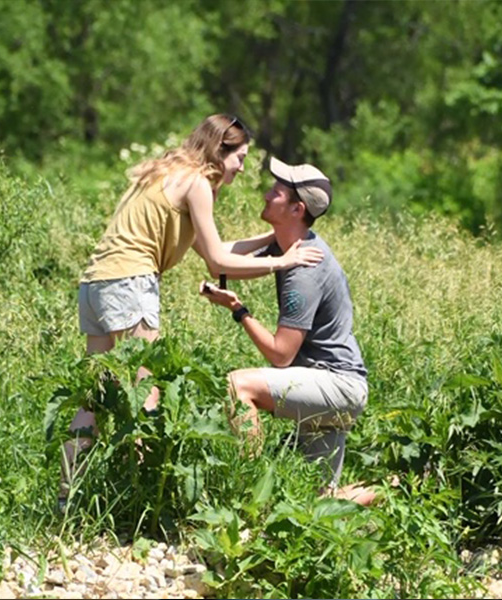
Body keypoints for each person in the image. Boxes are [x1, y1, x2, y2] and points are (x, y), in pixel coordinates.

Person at [58, 115, 324, 508]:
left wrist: (271, 239)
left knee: (94, 397)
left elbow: (213, 259)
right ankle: (146, 502)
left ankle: (69, 499)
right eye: (240, 157)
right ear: (221, 150)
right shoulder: (198, 184)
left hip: (97, 283)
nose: (242, 167)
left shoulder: (168, 173)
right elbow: (219, 259)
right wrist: (282, 262)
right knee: (145, 395)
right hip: (132, 283)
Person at [200, 156, 375, 505]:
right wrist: (276, 233)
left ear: (297, 209)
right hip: (329, 382)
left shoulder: (305, 268)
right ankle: (388, 490)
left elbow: (281, 355)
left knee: (238, 386)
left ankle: (248, 494)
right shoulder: (289, 248)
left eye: (276, 192)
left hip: (337, 385)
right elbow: (218, 258)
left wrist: (239, 310)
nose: (266, 194)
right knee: (314, 504)